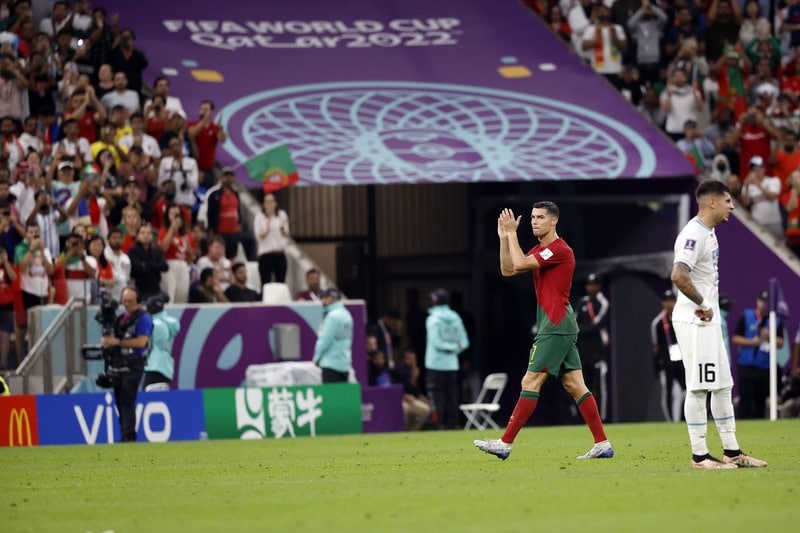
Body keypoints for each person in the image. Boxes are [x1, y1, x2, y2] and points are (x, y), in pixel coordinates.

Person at [474, 202, 612, 461]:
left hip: (555, 326)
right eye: (533, 217)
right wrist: (505, 238)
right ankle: (602, 443)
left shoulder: (559, 250)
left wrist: (513, 235)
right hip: (560, 326)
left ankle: (504, 443)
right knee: (575, 385)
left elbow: (521, 263)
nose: (534, 222)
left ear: (554, 221)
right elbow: (508, 269)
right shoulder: (540, 250)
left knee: (530, 381)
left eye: (540, 218)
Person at [670, 180, 766, 469]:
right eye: (727, 201)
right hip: (694, 320)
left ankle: (732, 451)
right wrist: (703, 304)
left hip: (708, 322)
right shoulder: (692, 235)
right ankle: (699, 455)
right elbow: (678, 274)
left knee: (723, 385)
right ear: (712, 202)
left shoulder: (708, 233)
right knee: (698, 387)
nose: (732, 206)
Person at [100, 286, 153, 442]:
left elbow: (141, 342)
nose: (127, 304)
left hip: (133, 364)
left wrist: (117, 342)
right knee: (120, 399)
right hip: (118, 364)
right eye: (124, 301)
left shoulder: (143, 318)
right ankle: (125, 432)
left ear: (137, 301)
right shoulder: (121, 317)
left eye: (130, 301)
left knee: (127, 398)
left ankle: (128, 435)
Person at [731, 290, 786, 419]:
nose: (763, 304)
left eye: (766, 301)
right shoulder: (747, 316)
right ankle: (743, 423)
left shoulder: (775, 320)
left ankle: (759, 422)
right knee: (745, 397)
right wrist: (751, 342)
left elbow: (781, 342)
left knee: (760, 399)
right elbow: (735, 338)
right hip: (746, 364)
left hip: (764, 366)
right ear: (757, 301)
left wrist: (769, 336)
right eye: (761, 300)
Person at [425, 288, 469, 429]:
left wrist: (447, 347)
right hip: (451, 363)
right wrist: (454, 347)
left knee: (437, 395)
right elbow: (464, 342)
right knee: (452, 394)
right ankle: (455, 423)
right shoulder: (455, 317)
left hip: (435, 363)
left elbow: (436, 342)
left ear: (435, 301)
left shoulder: (432, 319)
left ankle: (440, 424)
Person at [575, 272, 610, 421]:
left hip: (597, 351)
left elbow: (597, 326)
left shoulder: (603, 303)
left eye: (594, 284)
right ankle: (582, 418)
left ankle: (600, 418)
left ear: (599, 286)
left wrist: (582, 329)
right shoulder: (582, 302)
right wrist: (582, 329)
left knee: (598, 387)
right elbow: (574, 323)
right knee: (583, 387)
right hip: (582, 351)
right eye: (589, 284)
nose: (591, 287)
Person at [650, 289, 686, 422]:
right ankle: (670, 421)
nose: (669, 304)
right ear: (662, 303)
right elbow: (656, 349)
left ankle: (683, 418)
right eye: (666, 301)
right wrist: (657, 370)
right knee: (667, 392)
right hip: (666, 364)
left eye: (672, 300)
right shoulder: (658, 323)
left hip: (682, 363)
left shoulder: (682, 320)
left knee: (688, 389)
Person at [312, 288, 353, 383]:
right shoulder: (347, 315)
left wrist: (316, 357)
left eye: (324, 298)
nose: (322, 301)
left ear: (331, 298)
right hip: (345, 364)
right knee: (341, 396)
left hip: (330, 365)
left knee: (331, 397)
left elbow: (325, 339)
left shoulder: (332, 316)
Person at [143, 292, 179, 391]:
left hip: (156, 366)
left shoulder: (157, 324)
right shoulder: (166, 322)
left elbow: (151, 343)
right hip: (164, 367)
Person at [253, 193, 290, 284]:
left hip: (280, 253)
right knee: (266, 283)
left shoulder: (281, 215)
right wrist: (267, 228)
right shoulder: (259, 217)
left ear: (275, 203)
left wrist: (282, 229)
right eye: (267, 202)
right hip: (266, 254)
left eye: (271, 201)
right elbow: (258, 237)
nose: (269, 204)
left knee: (281, 283)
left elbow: (287, 235)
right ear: (263, 204)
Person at [127, 223, 168, 299]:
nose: (146, 236)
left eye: (149, 233)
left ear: (152, 236)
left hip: (156, 290)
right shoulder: (133, 251)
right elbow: (138, 268)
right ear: (137, 236)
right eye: (143, 233)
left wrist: (146, 264)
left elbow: (165, 266)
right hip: (140, 291)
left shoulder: (155, 251)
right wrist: (155, 265)